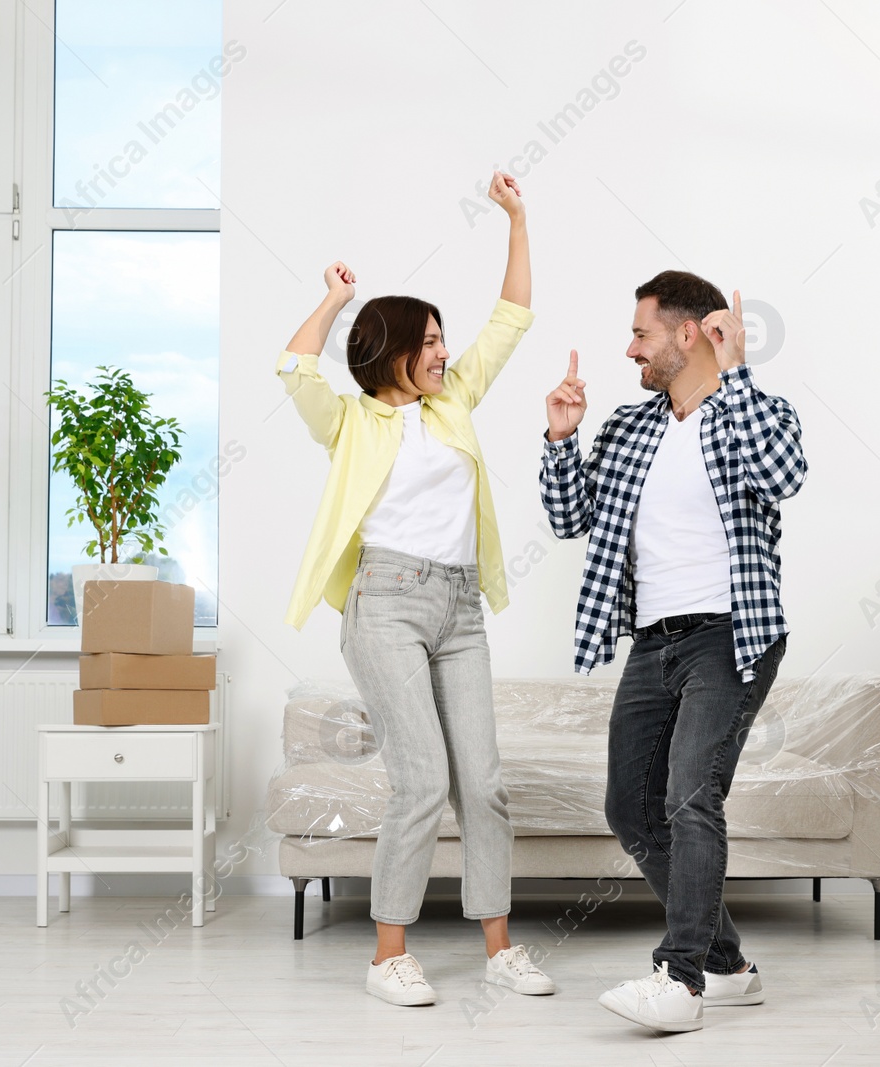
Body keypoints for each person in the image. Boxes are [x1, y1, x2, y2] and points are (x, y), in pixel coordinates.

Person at [276, 172, 554, 1007]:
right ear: (391, 346)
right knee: (422, 778)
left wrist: (516, 219)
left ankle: (500, 948)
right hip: (385, 604)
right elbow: (295, 367)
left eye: (442, 338)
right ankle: (387, 954)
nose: (443, 349)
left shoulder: (452, 401)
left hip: (459, 605)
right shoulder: (354, 419)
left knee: (484, 780)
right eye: (429, 339)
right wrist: (334, 299)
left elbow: (511, 318)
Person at [539, 271, 806, 1032]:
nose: (631, 348)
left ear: (686, 333)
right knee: (630, 808)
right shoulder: (630, 428)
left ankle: (680, 978)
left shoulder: (751, 412)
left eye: (641, 333)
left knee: (693, 797)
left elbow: (784, 475)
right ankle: (726, 964)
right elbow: (571, 518)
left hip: (730, 632)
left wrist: (740, 370)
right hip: (653, 641)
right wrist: (563, 440)